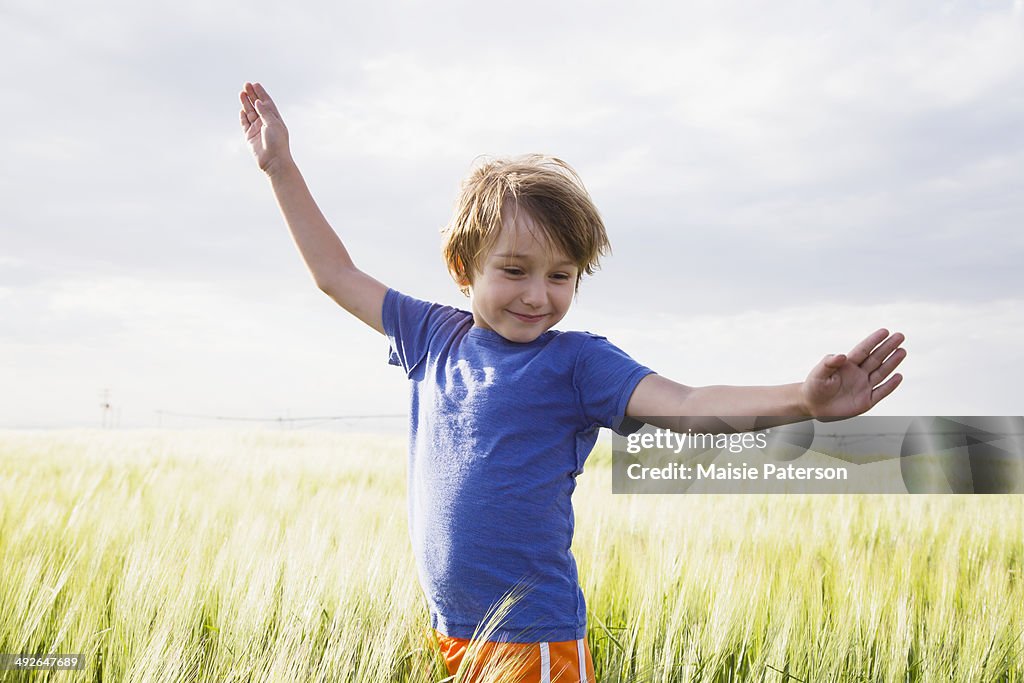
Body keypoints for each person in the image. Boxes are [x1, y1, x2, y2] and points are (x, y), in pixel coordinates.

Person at [239, 81, 906, 682]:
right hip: (449, 632)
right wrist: (281, 167)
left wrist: (802, 397)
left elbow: (687, 404)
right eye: (516, 269)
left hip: (536, 643)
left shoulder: (577, 363)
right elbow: (336, 274)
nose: (538, 295)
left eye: (561, 276)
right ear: (462, 265)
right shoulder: (432, 337)